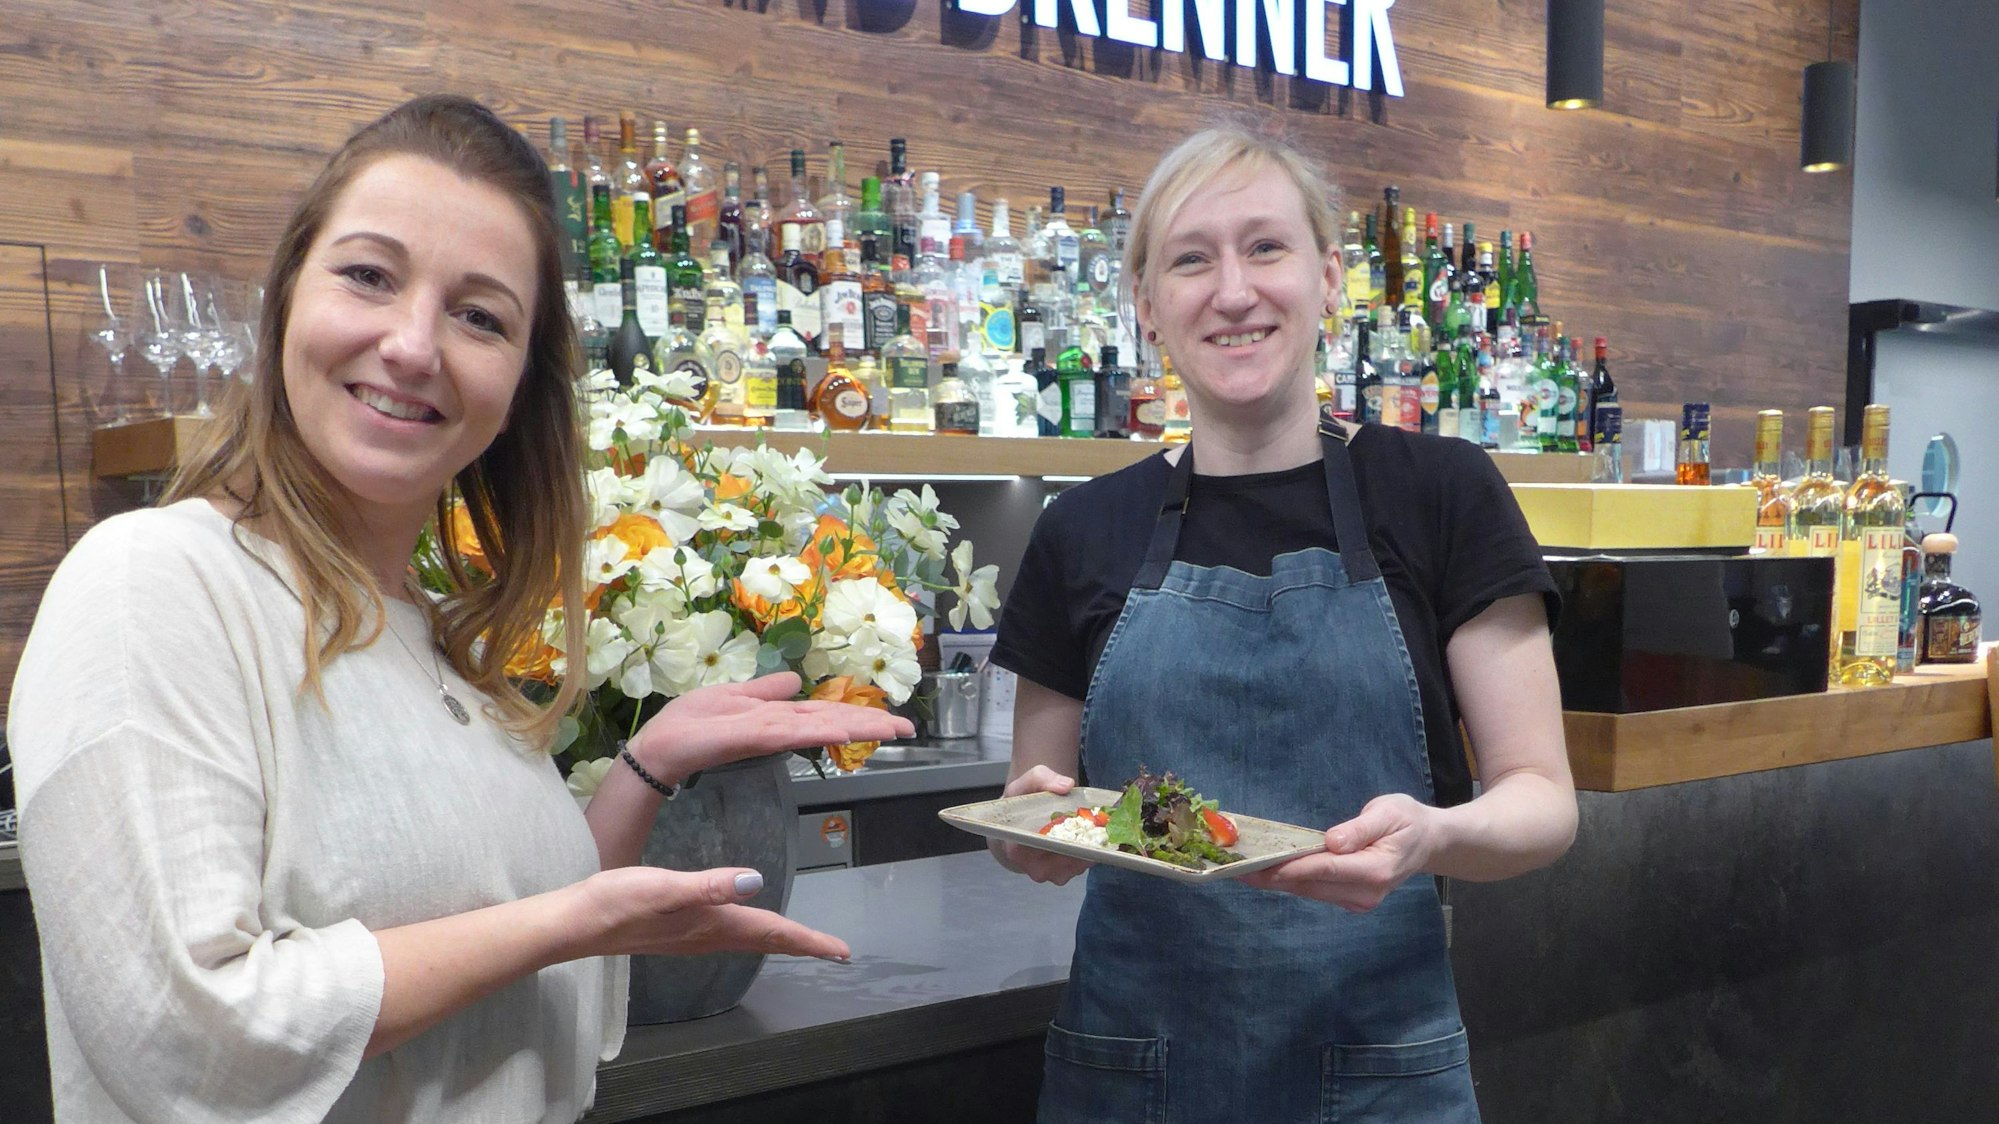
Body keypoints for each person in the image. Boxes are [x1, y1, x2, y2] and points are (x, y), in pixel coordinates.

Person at [5, 95, 910, 1123]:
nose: (411, 344)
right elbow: (190, 1027)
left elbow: (505, 942)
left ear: (521, 386)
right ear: (287, 298)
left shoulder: (434, 635)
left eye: (480, 315)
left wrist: (647, 766)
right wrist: (564, 922)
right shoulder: (154, 581)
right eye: (369, 275)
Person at [989, 127, 1578, 1120]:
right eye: (1190, 257)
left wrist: (1429, 836)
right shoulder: (1081, 531)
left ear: (1327, 275)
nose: (1232, 290)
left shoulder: (1440, 492)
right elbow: (1030, 812)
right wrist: (1032, 829)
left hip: (1378, 1075)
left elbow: (1541, 798)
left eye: (1264, 246)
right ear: (1144, 303)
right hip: (1134, 1077)